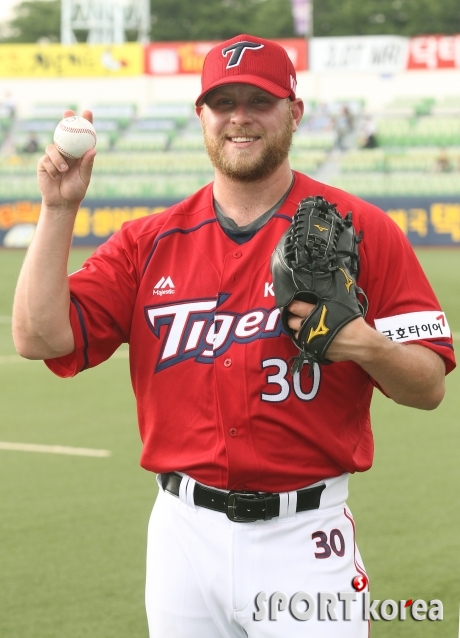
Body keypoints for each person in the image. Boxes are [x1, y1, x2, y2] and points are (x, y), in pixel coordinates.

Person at [12, 34, 455, 638]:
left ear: (294, 113)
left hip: (305, 538)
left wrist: (361, 342)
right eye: (223, 103)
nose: (239, 118)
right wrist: (58, 208)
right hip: (180, 534)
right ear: (202, 115)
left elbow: (428, 385)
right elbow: (40, 337)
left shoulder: (362, 230)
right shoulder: (148, 242)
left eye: (259, 100)